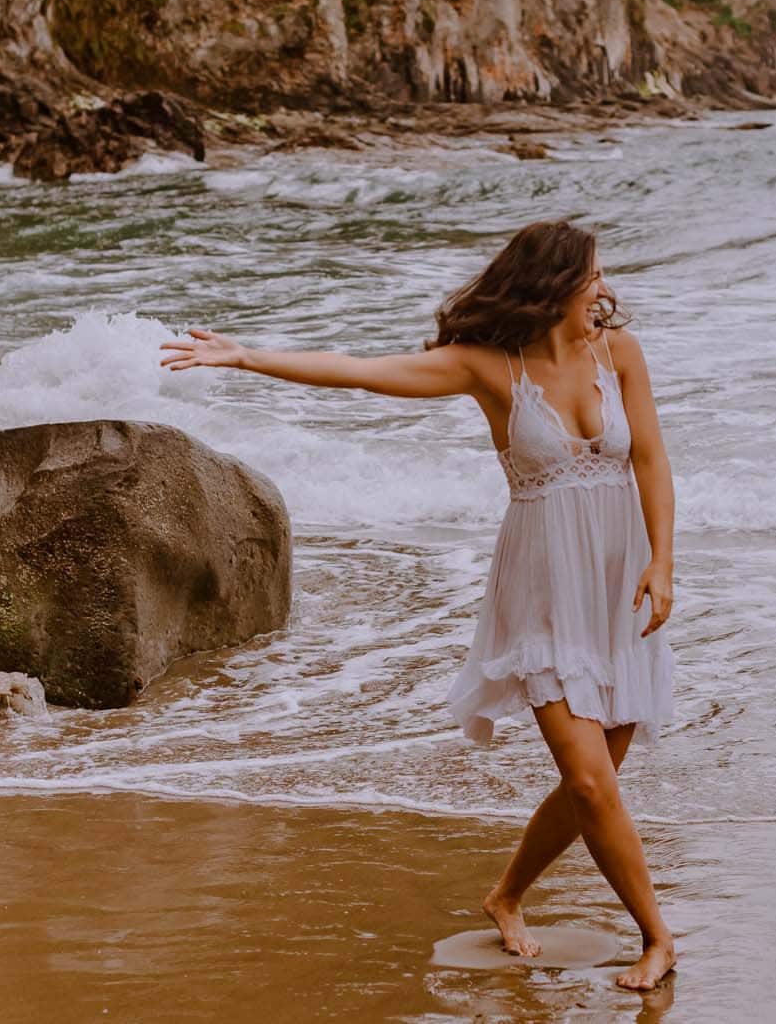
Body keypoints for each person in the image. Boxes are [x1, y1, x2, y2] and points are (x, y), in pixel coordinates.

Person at [161, 220, 679, 990]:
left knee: (594, 779)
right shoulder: (488, 368)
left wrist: (663, 561)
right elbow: (362, 371)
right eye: (591, 276)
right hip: (540, 594)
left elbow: (650, 458)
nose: (603, 289)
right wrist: (244, 356)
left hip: (617, 587)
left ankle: (506, 893)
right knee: (592, 782)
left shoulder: (620, 355)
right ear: (553, 286)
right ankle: (658, 936)